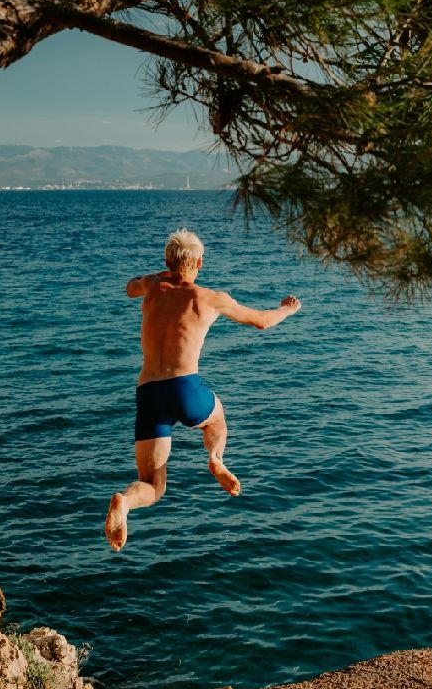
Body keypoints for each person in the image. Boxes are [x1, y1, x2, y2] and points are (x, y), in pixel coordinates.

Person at [104, 228, 302, 551]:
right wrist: (287, 309)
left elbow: (130, 288)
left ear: (168, 262)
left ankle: (124, 503)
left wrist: (158, 275)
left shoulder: (153, 286)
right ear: (199, 262)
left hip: (149, 392)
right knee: (216, 418)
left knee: (153, 486)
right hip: (185, 386)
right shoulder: (210, 298)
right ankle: (215, 458)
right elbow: (262, 321)